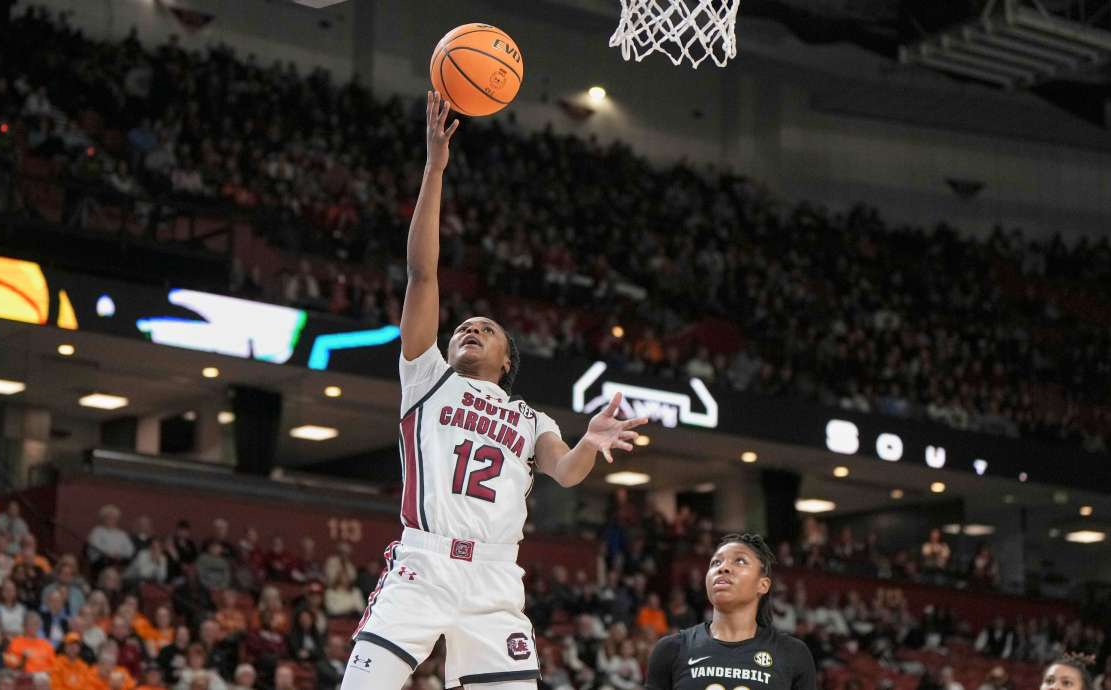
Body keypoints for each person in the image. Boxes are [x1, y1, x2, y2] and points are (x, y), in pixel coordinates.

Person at [340, 92, 647, 690]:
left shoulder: (532, 419)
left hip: (495, 578)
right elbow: (422, 273)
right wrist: (435, 167)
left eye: (486, 329)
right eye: (463, 327)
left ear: (507, 362)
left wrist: (588, 441)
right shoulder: (427, 378)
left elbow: (566, 472)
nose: (470, 329)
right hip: (424, 564)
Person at [644, 533, 816, 690]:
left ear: (763, 585)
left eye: (740, 561)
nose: (723, 568)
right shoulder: (671, 649)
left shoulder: (793, 653)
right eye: (716, 562)